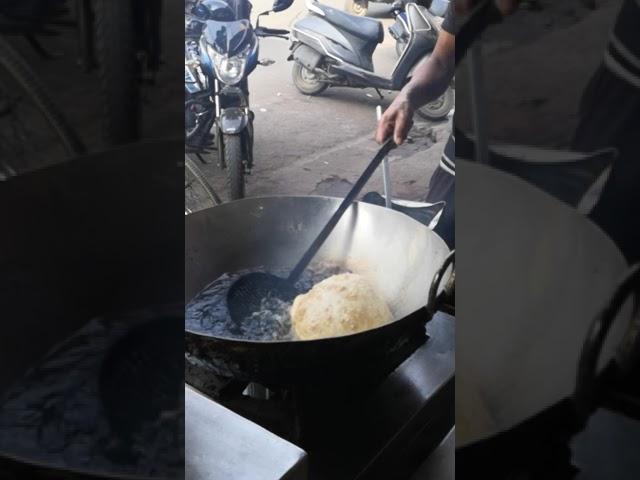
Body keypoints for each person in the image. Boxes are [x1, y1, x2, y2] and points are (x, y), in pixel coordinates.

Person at [375, 0, 519, 248]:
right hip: (461, 163)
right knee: (432, 251)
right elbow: (442, 62)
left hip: (545, 177)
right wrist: (407, 97)